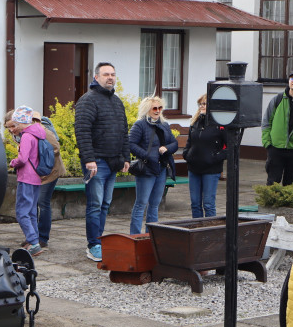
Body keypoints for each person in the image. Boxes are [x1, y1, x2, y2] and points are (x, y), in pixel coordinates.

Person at [74, 62, 130, 261]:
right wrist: (89, 159)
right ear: (96, 77)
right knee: (95, 205)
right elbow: (82, 132)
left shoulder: (116, 101)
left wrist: (126, 157)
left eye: (113, 74)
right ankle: (94, 245)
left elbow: (124, 132)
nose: (110, 77)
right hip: (96, 162)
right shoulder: (87, 100)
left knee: (105, 204)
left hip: (113, 161)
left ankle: (99, 240)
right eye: (106, 74)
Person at [127, 96, 178, 234]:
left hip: (161, 168)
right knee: (141, 204)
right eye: (154, 108)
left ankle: (151, 235)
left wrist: (167, 148)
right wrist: (147, 156)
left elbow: (174, 143)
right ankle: (135, 236)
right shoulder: (140, 125)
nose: (157, 111)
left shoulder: (164, 125)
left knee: (155, 205)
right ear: (147, 109)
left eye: (160, 108)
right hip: (147, 169)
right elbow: (131, 144)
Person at [6, 106, 46, 256]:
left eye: (15, 124)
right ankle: (34, 240)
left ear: (21, 122)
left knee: (22, 212)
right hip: (36, 177)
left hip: (26, 177)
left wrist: (13, 162)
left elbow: (22, 159)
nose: (13, 128)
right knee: (31, 211)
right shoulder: (37, 133)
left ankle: (33, 242)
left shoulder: (27, 136)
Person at [183, 94, 226, 218]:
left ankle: (210, 228)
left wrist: (214, 158)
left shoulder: (220, 124)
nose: (201, 106)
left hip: (211, 170)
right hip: (194, 168)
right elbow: (190, 142)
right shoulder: (195, 122)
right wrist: (187, 154)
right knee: (195, 204)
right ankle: (197, 227)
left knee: (208, 204)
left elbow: (230, 147)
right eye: (200, 104)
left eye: (205, 104)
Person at [33, 111, 65, 249]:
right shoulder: (21, 132)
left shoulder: (43, 130)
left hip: (50, 171)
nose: (11, 129)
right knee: (33, 202)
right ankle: (33, 236)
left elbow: (55, 148)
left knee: (42, 202)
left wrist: (39, 155)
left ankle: (43, 238)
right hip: (38, 172)